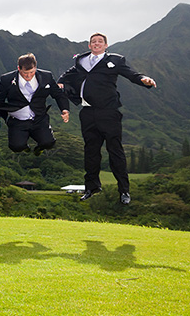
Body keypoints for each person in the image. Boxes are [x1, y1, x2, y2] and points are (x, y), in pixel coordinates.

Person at [58, 32, 156, 205]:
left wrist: (144, 79)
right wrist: (60, 83)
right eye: (93, 42)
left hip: (109, 112)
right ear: (89, 45)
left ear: (105, 45)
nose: (96, 44)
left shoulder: (115, 60)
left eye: (100, 42)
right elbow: (67, 75)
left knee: (115, 151)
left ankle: (124, 191)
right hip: (87, 113)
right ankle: (91, 187)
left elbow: (131, 74)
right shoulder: (81, 61)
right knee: (91, 151)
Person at [0, 53, 70, 156]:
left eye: (31, 72)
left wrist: (64, 110)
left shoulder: (46, 76)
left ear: (35, 68)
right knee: (16, 147)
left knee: (49, 143)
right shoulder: (6, 79)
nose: (28, 76)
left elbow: (58, 94)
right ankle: (24, 146)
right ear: (19, 68)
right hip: (18, 120)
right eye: (25, 73)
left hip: (39, 118)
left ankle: (39, 147)